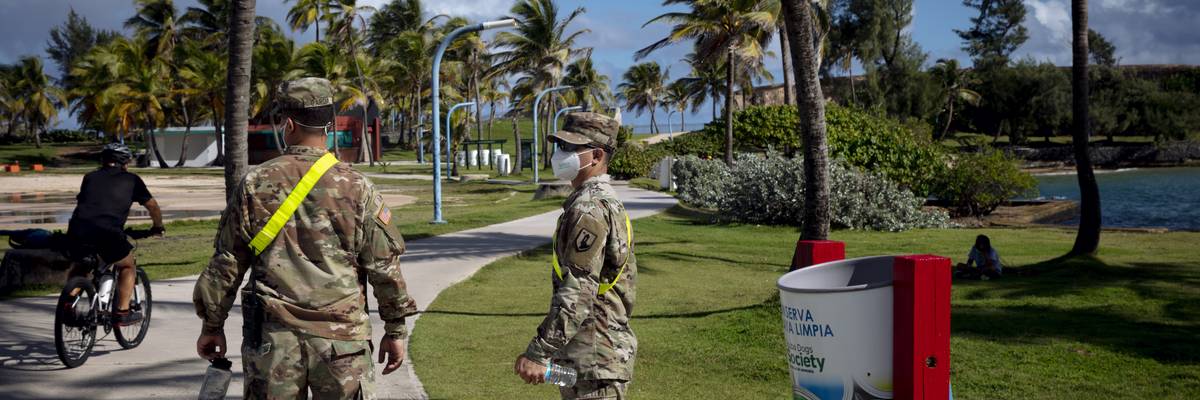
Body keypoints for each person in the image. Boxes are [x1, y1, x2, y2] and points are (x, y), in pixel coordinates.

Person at [193, 77, 417, 399]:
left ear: (287, 124)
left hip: (273, 343)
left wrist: (211, 326)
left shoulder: (255, 183)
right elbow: (384, 266)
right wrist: (395, 330)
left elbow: (227, 263)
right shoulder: (357, 186)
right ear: (328, 124)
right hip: (342, 344)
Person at [514, 112, 638, 399]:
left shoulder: (589, 209)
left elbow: (579, 290)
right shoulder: (599, 201)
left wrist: (539, 351)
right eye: (560, 146)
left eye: (570, 148)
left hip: (594, 360)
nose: (561, 154)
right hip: (590, 360)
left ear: (595, 155)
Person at [66, 143, 164, 326]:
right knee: (127, 266)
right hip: (108, 232)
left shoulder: (89, 177)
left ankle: (67, 305)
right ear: (125, 162)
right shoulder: (132, 180)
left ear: (104, 160)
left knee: (81, 265)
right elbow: (152, 206)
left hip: (77, 230)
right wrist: (158, 226)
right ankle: (122, 312)